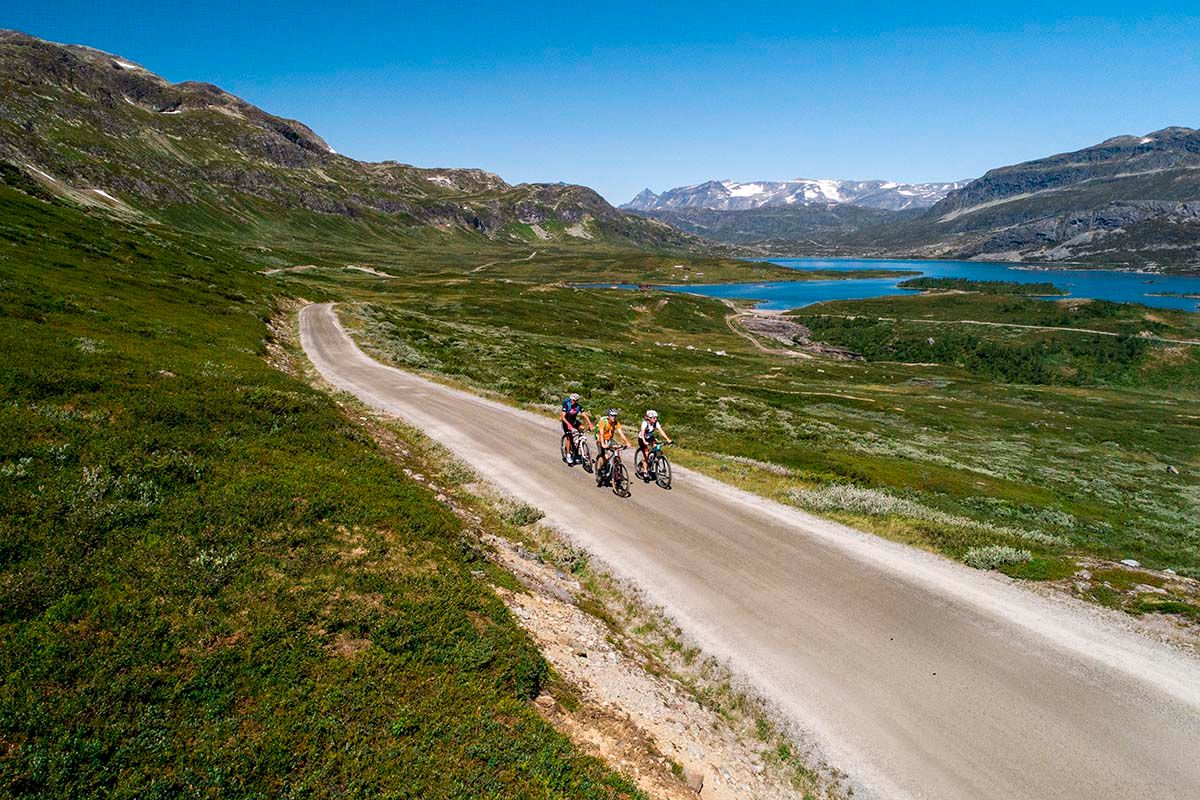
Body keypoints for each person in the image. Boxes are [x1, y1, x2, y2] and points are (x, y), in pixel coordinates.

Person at [594, 408, 632, 481]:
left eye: (615, 416)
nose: (614, 417)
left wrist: (627, 442)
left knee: (617, 452)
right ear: (608, 416)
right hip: (601, 439)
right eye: (612, 416)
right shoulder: (603, 422)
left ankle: (619, 471)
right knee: (605, 457)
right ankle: (601, 470)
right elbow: (601, 434)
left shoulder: (616, 423)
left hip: (610, 439)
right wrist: (603, 444)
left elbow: (621, 434)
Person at [636, 409, 672, 479]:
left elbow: (661, 431)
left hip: (650, 437)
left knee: (657, 448)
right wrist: (644, 441)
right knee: (646, 454)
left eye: (656, 418)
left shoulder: (656, 423)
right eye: (654, 418)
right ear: (649, 418)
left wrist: (667, 439)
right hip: (642, 438)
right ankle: (645, 471)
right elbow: (642, 432)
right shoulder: (645, 423)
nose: (655, 419)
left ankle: (654, 459)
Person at [560, 393, 594, 464]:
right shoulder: (567, 405)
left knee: (582, 428)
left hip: (574, 421)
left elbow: (585, 416)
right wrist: (568, 424)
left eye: (574, 400)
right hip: (566, 422)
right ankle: (568, 455)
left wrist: (590, 424)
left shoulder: (579, 406)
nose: (572, 401)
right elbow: (563, 417)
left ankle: (578, 443)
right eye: (571, 399)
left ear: (577, 401)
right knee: (569, 438)